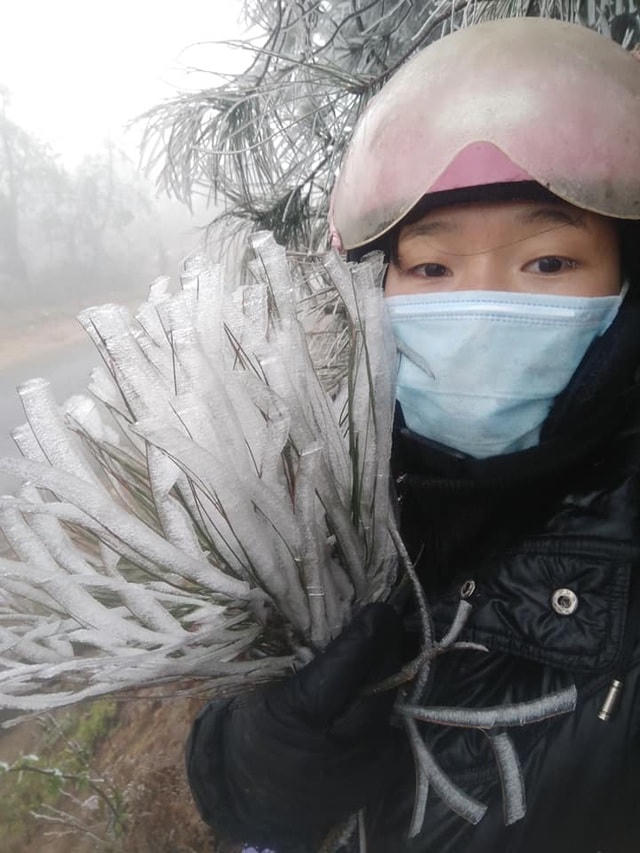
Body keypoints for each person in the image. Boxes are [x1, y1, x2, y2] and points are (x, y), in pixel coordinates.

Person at [185, 16, 640, 852]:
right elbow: (241, 744)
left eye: (547, 262)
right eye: (430, 267)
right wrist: (253, 765)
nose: (478, 310)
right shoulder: (330, 489)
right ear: (378, 287)